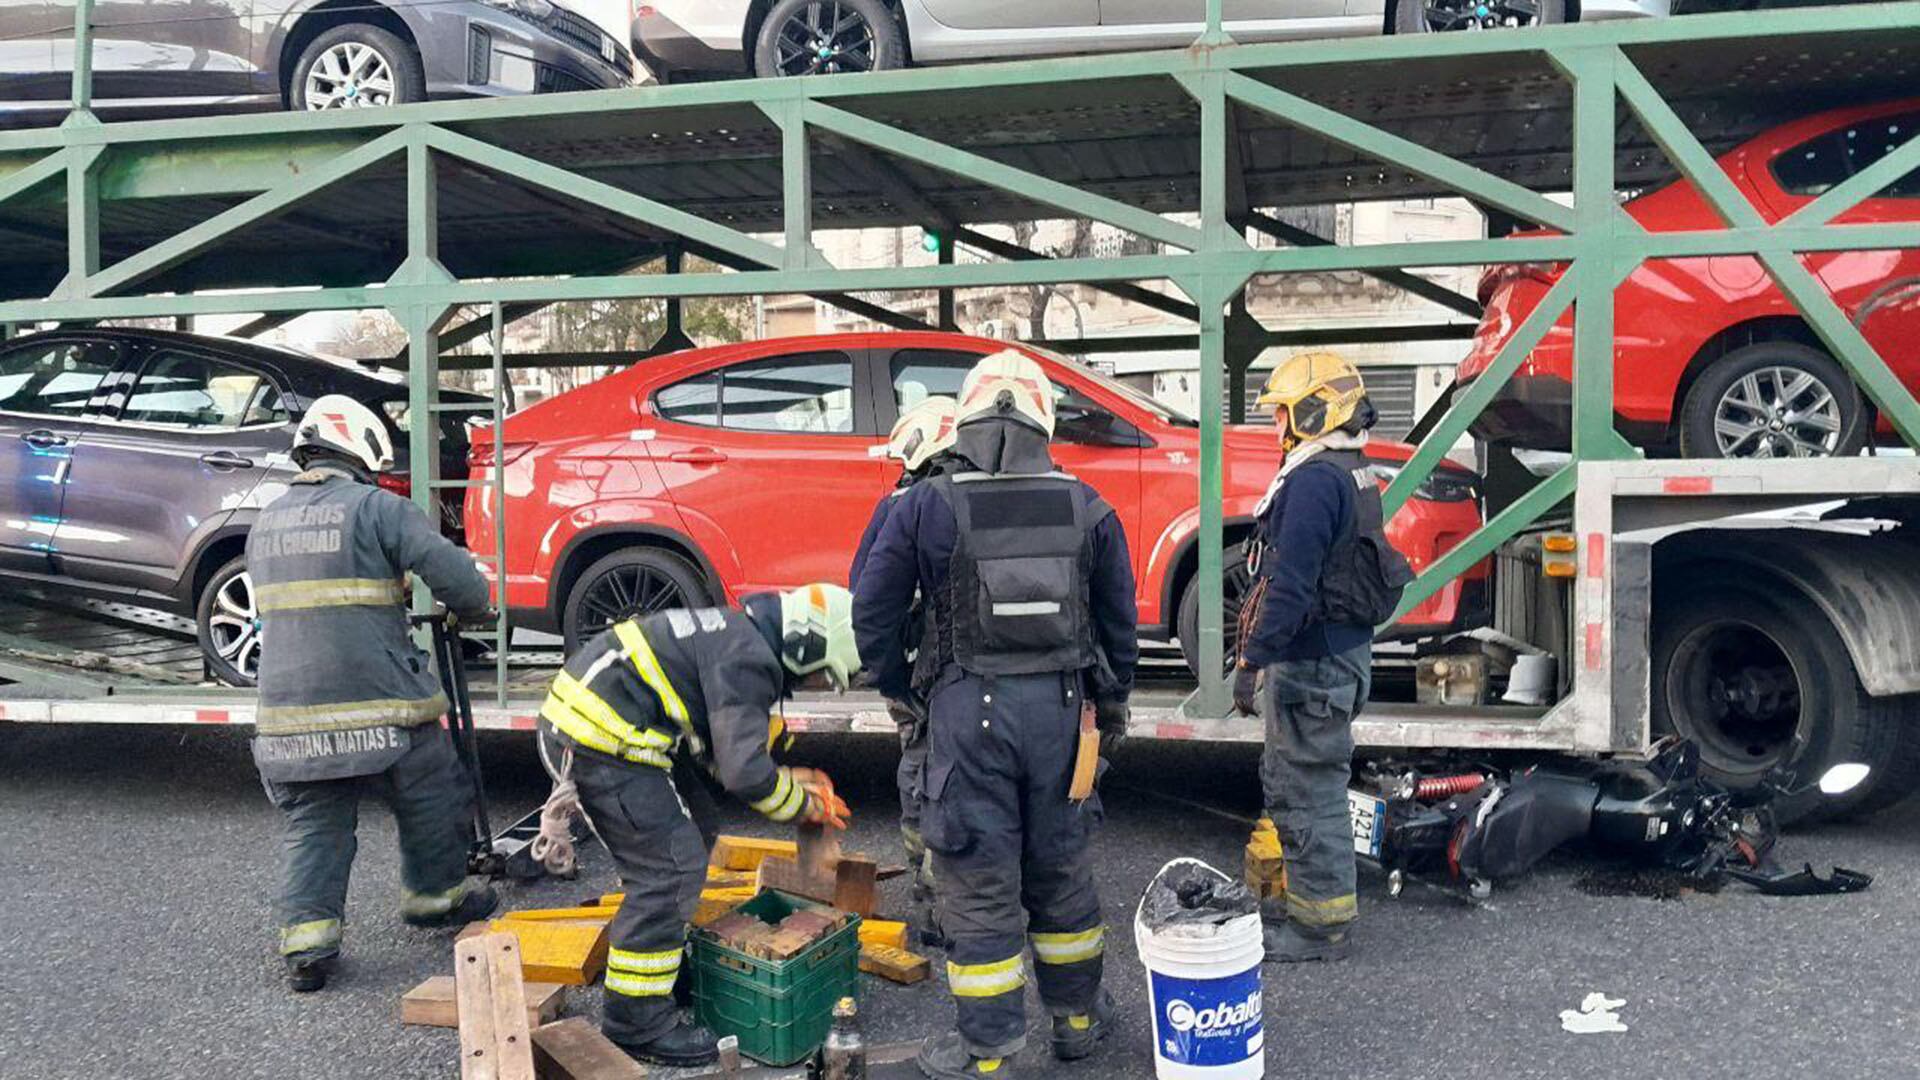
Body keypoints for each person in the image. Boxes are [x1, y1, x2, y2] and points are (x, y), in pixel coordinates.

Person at [854, 350, 1138, 1080]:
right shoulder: (1091, 506)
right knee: (1062, 870)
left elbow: (873, 612)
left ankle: (987, 1056)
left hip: (963, 719)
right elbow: (1119, 626)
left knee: (978, 884)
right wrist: (1111, 710)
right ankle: (1076, 1023)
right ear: (1044, 420)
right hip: (1062, 717)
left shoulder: (922, 506)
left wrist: (902, 691)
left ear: (968, 419)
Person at [537, 583, 860, 1067]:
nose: (817, 687)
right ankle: (635, 1021)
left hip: (614, 730)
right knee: (668, 872)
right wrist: (802, 806)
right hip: (598, 743)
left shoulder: (740, 637)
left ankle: (660, 969)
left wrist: (789, 778)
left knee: (698, 826)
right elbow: (744, 775)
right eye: (821, 677)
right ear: (807, 645)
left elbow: (717, 748)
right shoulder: (750, 661)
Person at [247, 395, 498, 994]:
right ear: (357, 448)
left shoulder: (266, 520)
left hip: (285, 715)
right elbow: (456, 576)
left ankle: (308, 946)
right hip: (378, 704)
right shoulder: (377, 508)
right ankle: (434, 898)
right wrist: (476, 607)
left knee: (318, 821)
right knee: (433, 784)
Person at [1230, 352, 1411, 963]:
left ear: (1313, 413)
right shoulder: (1351, 470)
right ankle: (1315, 905)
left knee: (1306, 789)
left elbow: (1291, 586)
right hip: (1343, 655)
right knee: (1316, 784)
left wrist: (1252, 661)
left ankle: (1319, 927)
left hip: (1312, 665)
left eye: (1282, 413)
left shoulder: (1312, 481)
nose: (1276, 426)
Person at [850, 395, 961, 942]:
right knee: (958, 785)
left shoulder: (898, 503)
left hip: (913, 674)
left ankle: (932, 898)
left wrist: (891, 678)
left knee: (921, 780)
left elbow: (865, 593)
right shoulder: (960, 499)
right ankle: (952, 904)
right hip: (956, 677)